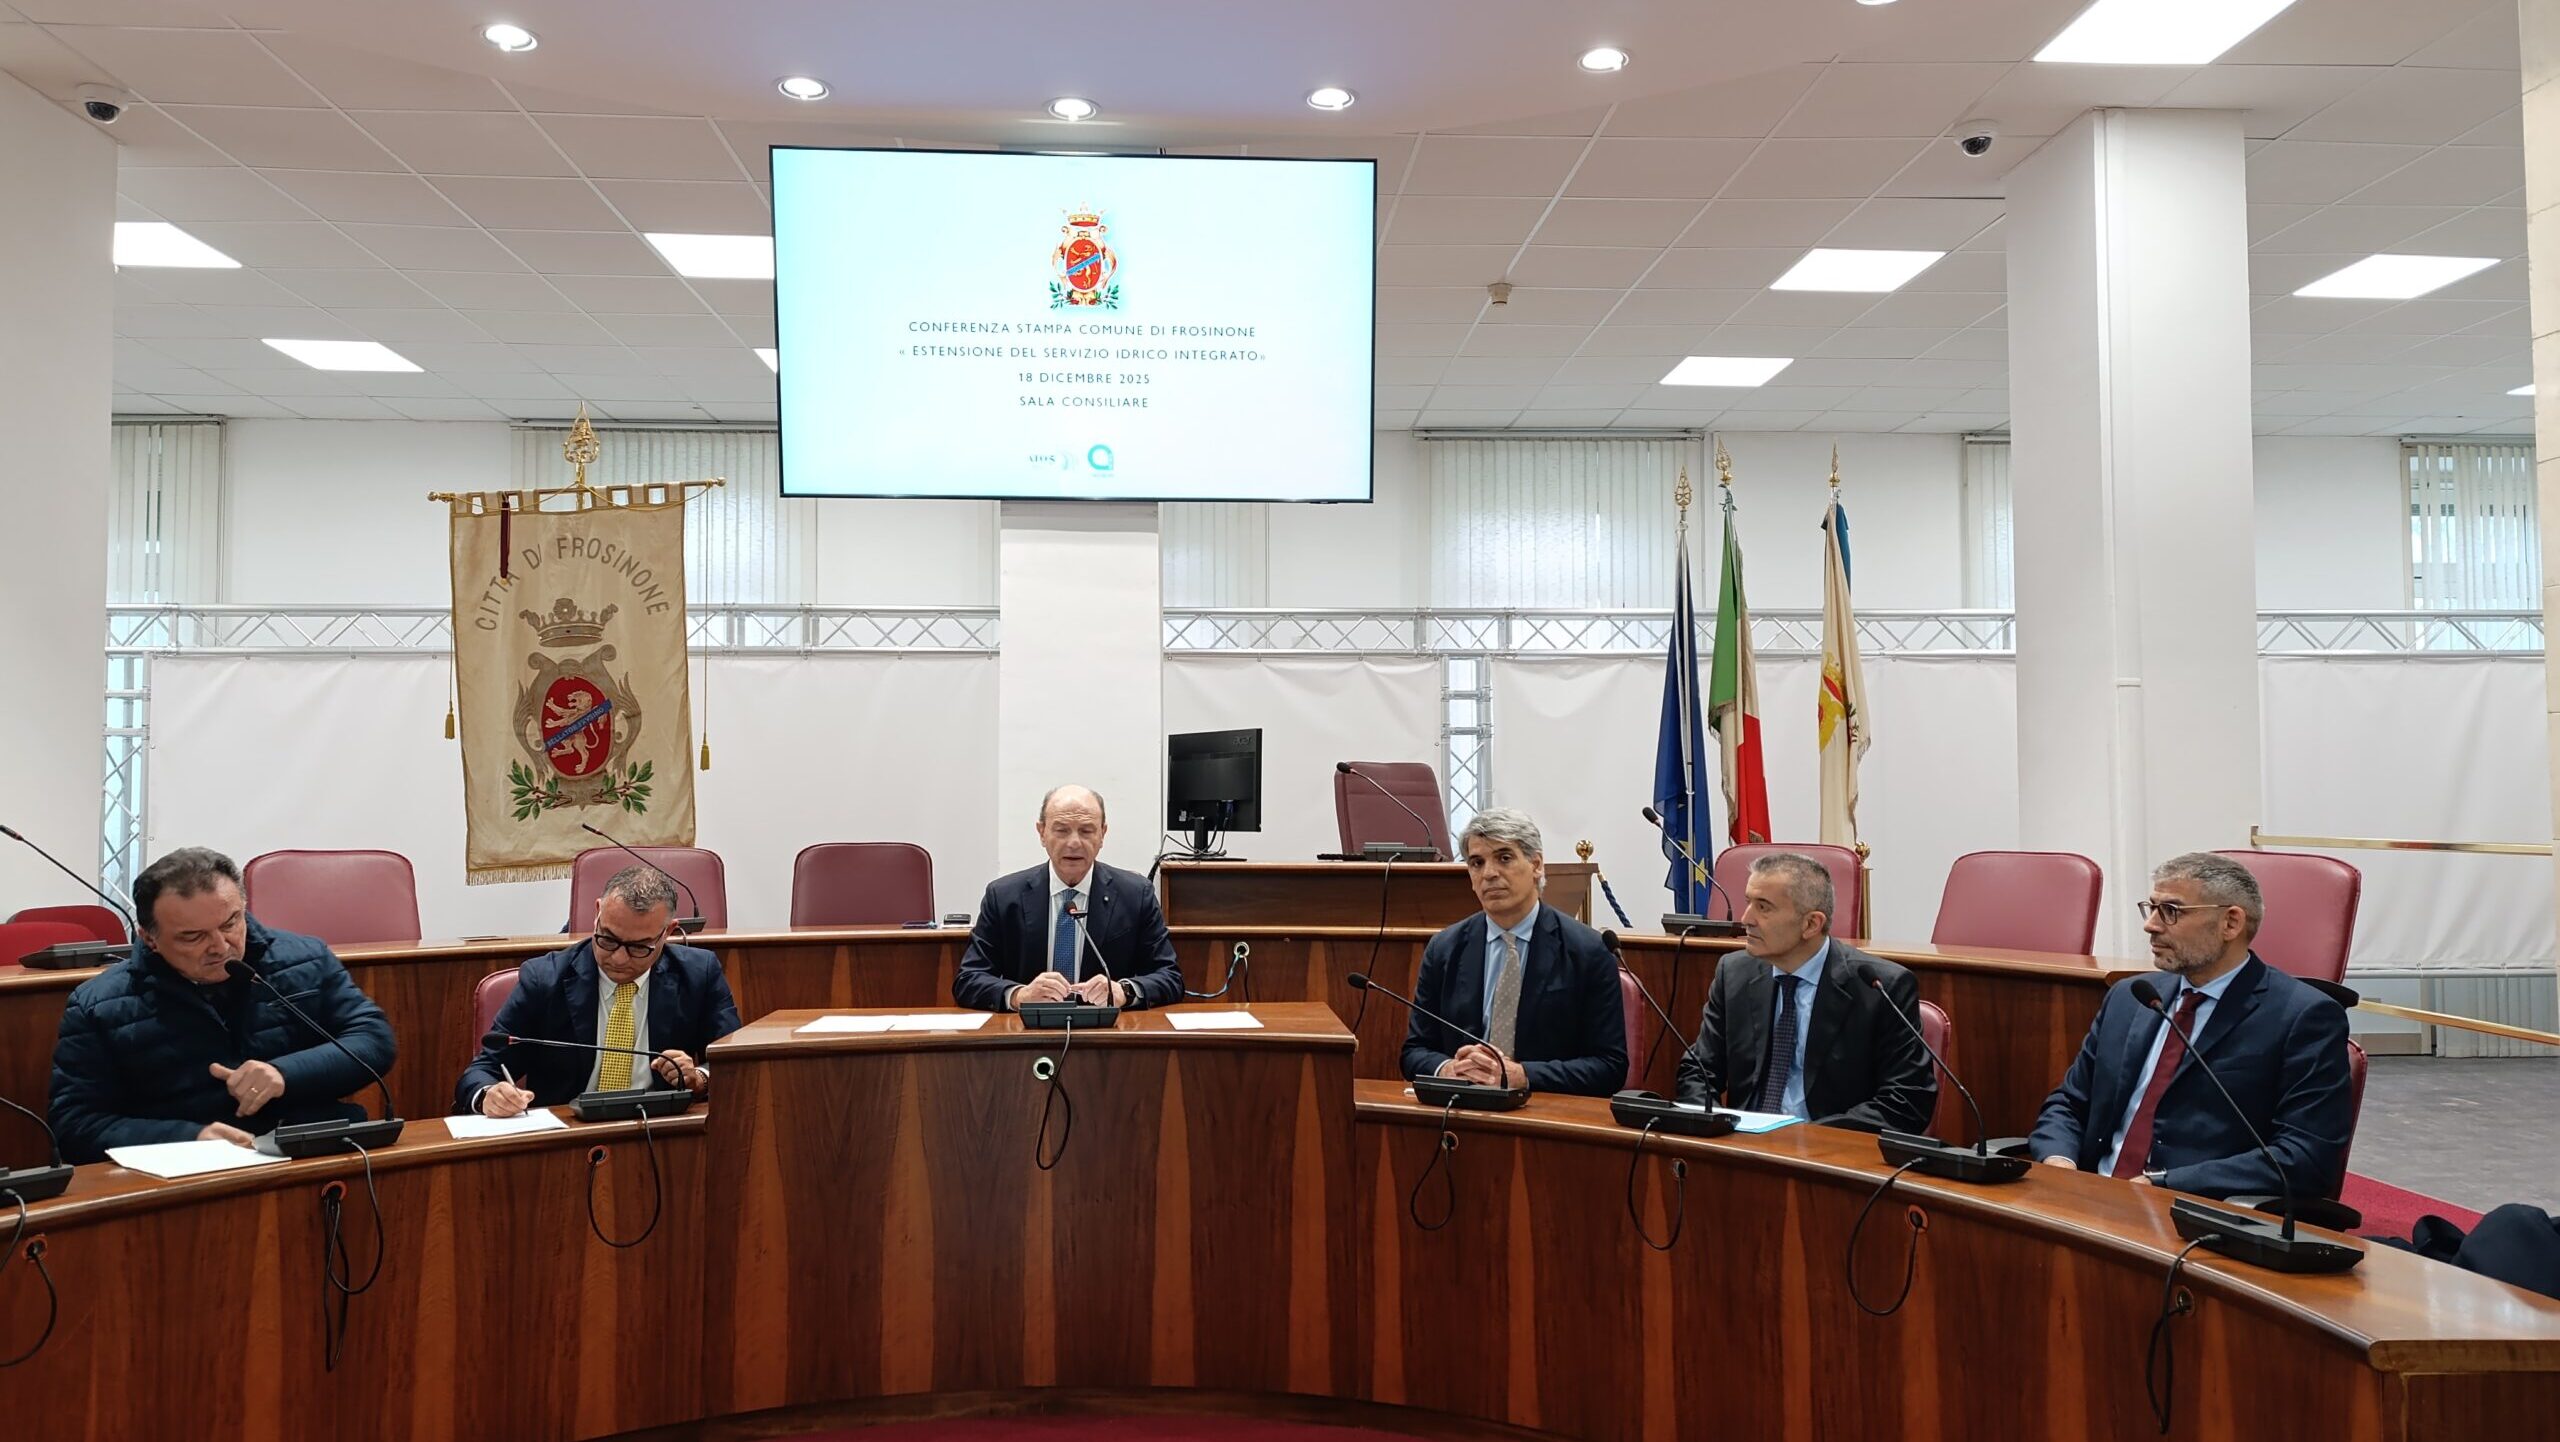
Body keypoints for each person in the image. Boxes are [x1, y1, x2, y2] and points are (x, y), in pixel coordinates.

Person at [2030, 852, 2354, 1199]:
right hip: (2087, 1196)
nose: (2151, 925)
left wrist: (2164, 1184)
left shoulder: (2303, 1016)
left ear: (2231, 923)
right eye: (2151, 908)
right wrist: (2059, 1160)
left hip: (2192, 1211)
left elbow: (2305, 1157)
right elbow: (2069, 1103)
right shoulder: (2131, 997)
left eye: (2171, 911)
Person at [48, 846, 397, 1163]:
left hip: (312, 1153)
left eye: (231, 923)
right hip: (189, 1175)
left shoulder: (303, 959)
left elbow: (374, 1039)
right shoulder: (99, 1004)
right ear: (149, 938)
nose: (220, 946)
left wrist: (285, 1073)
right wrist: (189, 1139)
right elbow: (75, 1126)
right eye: (193, 936)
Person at [1672, 852, 1936, 1133]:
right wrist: (1715, 1126)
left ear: (1811, 924)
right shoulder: (1734, 973)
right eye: (1748, 902)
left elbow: (1906, 1100)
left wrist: (1807, 1139)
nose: (1746, 919)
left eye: (1763, 907)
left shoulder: (1879, 987)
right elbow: (1698, 1071)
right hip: (1744, 1146)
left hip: (1831, 1148)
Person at [455, 866, 742, 1116]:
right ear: (597, 914)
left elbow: (733, 1063)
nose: (619, 958)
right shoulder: (545, 979)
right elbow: (482, 1071)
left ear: (668, 932)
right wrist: (490, 1095)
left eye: (638, 947)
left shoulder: (698, 974)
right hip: (569, 1137)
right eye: (608, 939)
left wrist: (699, 1078)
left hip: (659, 1129)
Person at [1399, 808, 1626, 1097]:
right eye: (1477, 863)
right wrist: (1447, 1069)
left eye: (1504, 858)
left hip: (1544, 1111)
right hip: (1460, 1106)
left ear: (1536, 865)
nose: (1489, 873)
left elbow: (1610, 1066)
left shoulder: (1589, 951)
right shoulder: (1444, 949)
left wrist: (1523, 1075)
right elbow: (1414, 1051)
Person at [952, 785, 1182, 1011]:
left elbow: (1170, 977)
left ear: (1102, 834)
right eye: (1061, 830)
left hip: (1106, 1029)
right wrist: (1018, 996)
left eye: (1086, 831)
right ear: (1042, 833)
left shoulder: (1135, 895)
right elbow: (969, 979)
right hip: (1028, 1029)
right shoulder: (1003, 896)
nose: (1073, 843)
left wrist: (1125, 991)